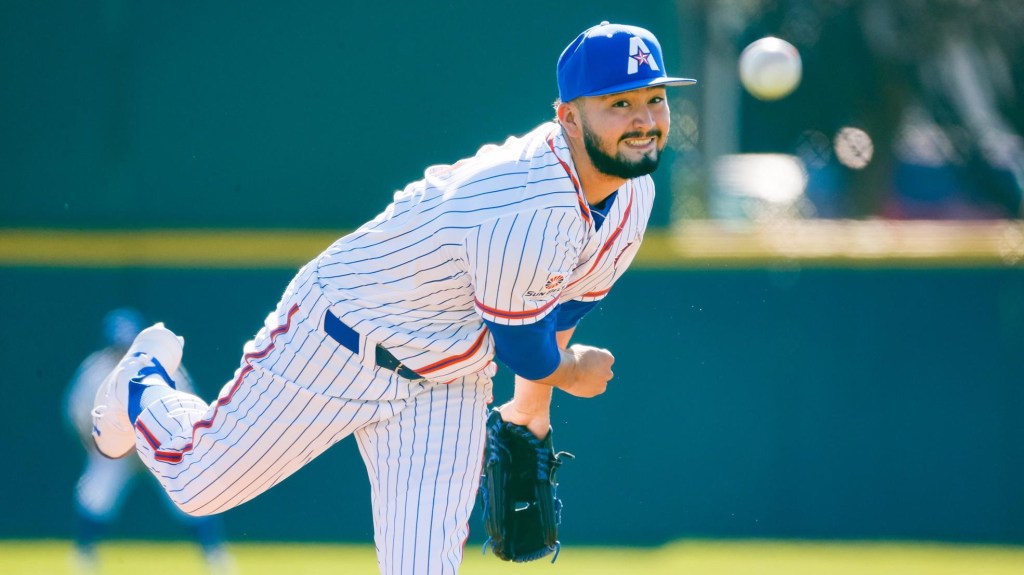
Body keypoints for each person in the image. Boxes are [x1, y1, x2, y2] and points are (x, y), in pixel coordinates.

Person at [90, 22, 696, 574]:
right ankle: (141, 381)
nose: (644, 118)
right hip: (340, 338)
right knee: (199, 486)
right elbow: (527, 349)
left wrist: (530, 418)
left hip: (448, 382)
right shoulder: (527, 204)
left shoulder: (631, 190)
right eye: (619, 103)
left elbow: (559, 310)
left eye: (654, 98)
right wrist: (570, 373)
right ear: (567, 116)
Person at [64, 308, 234, 575]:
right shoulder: (95, 370)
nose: (121, 351)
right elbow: (77, 414)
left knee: (193, 493)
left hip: (158, 447)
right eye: (117, 346)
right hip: (115, 451)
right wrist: (101, 446)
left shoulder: (165, 367)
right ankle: (84, 556)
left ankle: (214, 556)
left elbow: (190, 410)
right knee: (94, 494)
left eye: (126, 345)